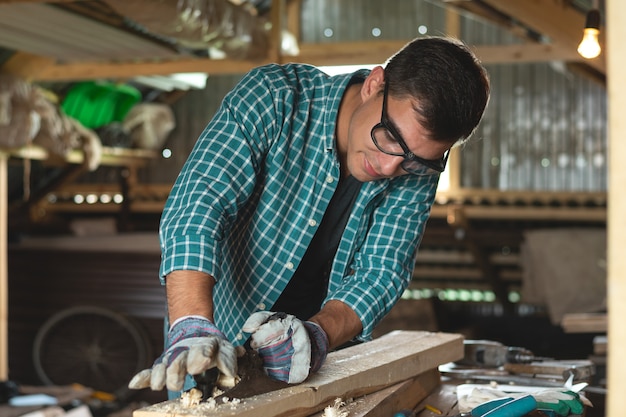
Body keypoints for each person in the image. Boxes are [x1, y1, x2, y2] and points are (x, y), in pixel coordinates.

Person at [129, 35, 490, 395]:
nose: (389, 165)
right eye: (389, 136)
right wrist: (192, 323)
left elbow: (381, 272)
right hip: (212, 340)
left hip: (317, 366)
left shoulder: (416, 166)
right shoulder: (273, 96)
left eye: (414, 159)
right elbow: (199, 207)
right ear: (374, 85)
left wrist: (317, 337)